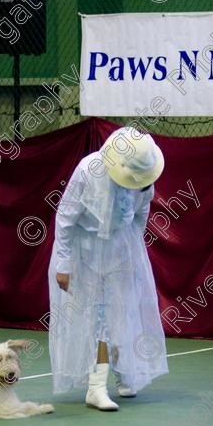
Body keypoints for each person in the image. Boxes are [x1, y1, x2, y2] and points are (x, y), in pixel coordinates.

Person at [48, 126, 169, 410]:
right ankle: (96, 387)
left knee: (123, 308)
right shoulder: (88, 170)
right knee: (97, 313)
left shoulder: (144, 176)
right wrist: (64, 263)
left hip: (119, 248)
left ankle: (124, 373)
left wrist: (132, 250)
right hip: (86, 250)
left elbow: (141, 213)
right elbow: (65, 217)